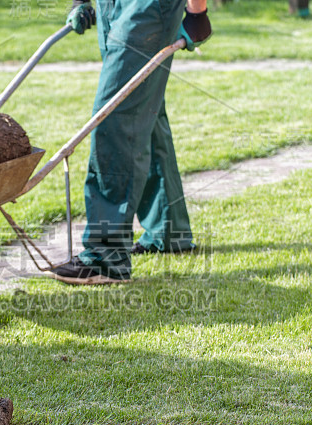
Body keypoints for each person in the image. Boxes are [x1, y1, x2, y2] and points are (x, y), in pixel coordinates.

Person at [49, 0, 211, 285]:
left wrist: (197, 11)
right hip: (111, 7)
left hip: (148, 7)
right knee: (143, 106)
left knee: (116, 117)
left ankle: (105, 257)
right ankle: (168, 231)